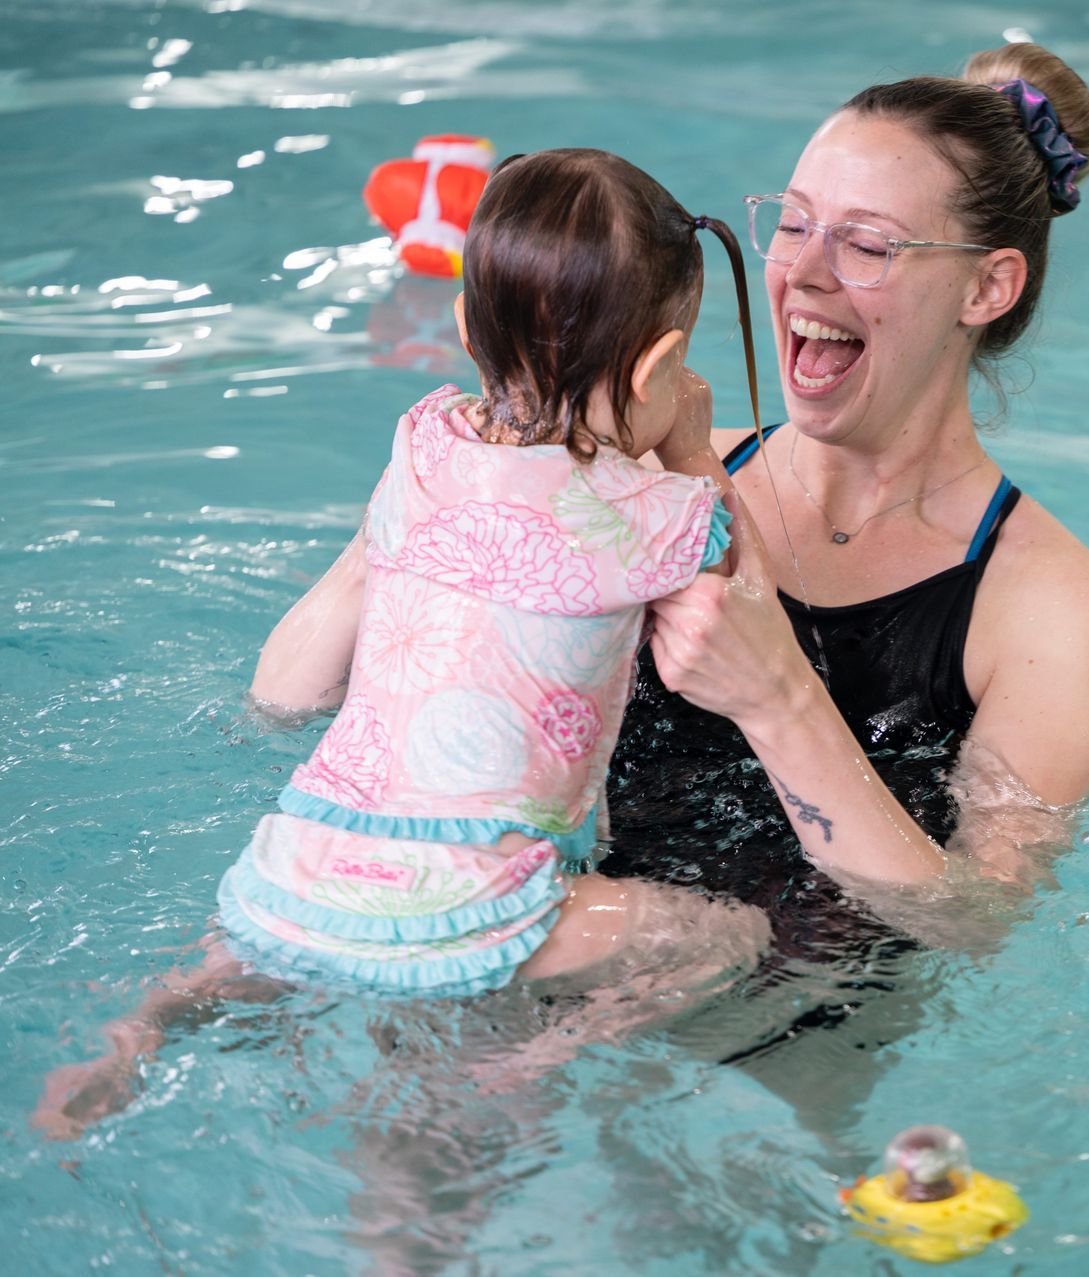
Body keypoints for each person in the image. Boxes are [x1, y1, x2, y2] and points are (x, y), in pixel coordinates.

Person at [33, 148, 773, 1140]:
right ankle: (518, 1060)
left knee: (283, 943)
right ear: (654, 367)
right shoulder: (648, 515)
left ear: (466, 328)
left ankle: (151, 1019)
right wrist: (689, 442)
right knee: (727, 939)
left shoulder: (421, 441)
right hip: (479, 896)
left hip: (300, 862)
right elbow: (740, 590)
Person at [602, 45, 1089, 1006]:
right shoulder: (654, 465)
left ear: (987, 287)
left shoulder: (1056, 611)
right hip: (547, 949)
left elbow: (971, 921)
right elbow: (293, 704)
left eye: (868, 244)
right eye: (795, 223)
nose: (803, 274)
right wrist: (424, 502)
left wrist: (778, 697)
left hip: (784, 1039)